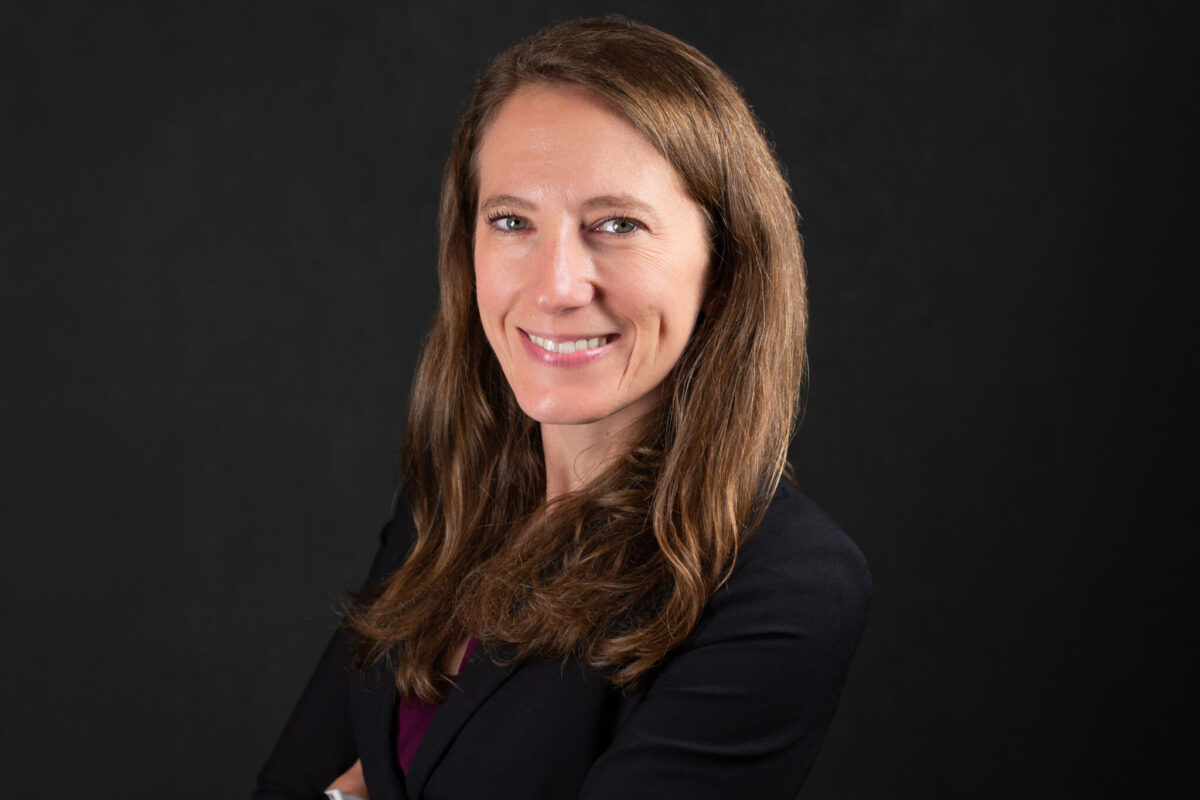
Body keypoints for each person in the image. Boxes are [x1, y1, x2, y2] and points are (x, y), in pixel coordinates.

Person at [253, 16, 869, 800]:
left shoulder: (784, 584)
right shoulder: (446, 502)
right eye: (512, 221)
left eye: (617, 225)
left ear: (724, 266)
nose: (554, 286)